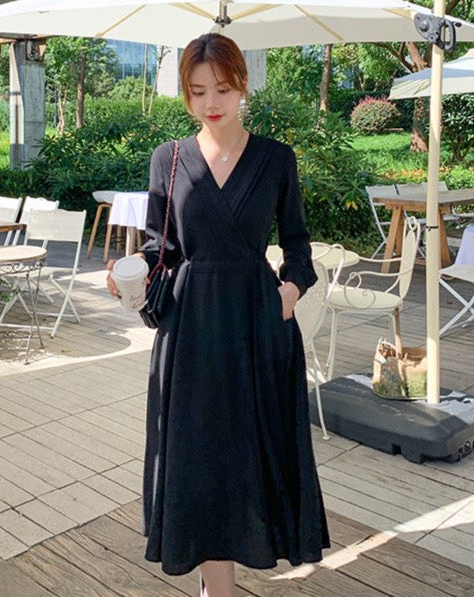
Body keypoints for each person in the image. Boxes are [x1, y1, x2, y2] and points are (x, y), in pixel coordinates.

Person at [107, 33, 330, 597]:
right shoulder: (168, 158)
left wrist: (289, 291)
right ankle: (218, 588)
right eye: (198, 90)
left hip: (257, 324)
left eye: (223, 89)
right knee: (199, 457)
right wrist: (129, 271)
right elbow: (160, 248)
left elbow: (298, 245)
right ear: (185, 93)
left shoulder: (276, 158)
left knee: (250, 454)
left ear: (242, 87)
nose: (211, 102)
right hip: (191, 328)